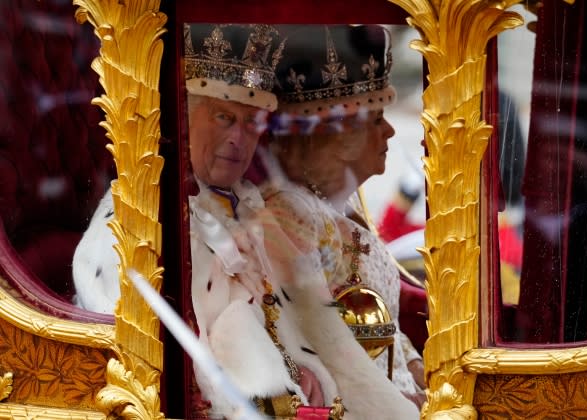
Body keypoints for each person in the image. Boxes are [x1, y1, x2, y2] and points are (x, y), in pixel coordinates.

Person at [73, 23, 417, 420]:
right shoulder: (138, 219)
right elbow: (174, 381)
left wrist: (304, 370)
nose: (240, 138)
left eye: (252, 122)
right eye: (224, 117)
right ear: (185, 117)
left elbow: (303, 328)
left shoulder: (248, 205)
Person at [260, 24, 426, 411]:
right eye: (376, 119)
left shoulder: (335, 209)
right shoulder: (290, 215)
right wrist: (407, 407)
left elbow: (386, 331)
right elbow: (325, 348)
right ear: (339, 136)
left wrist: (420, 371)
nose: (388, 131)